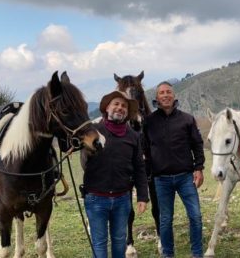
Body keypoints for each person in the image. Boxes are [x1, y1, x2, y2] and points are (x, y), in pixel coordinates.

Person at [81, 90, 149, 258]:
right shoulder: (93, 132)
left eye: (124, 106)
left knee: (119, 241)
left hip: (122, 199)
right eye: (116, 104)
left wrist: (142, 196)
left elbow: (140, 167)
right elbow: (80, 153)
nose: (120, 108)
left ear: (127, 112)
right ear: (107, 108)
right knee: (99, 242)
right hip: (96, 198)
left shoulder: (133, 136)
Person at [143, 81, 205, 258]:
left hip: (185, 176)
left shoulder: (187, 119)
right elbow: (144, 148)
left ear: (174, 95)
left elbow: (197, 144)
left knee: (195, 216)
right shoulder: (149, 121)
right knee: (165, 220)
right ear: (157, 98)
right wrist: (148, 172)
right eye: (161, 93)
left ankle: (197, 253)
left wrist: (198, 168)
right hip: (161, 179)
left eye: (168, 92)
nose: (165, 95)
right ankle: (168, 254)